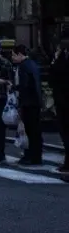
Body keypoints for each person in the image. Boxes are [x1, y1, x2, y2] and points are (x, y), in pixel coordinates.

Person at [11, 44, 43, 165]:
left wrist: (14, 87)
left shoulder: (23, 67)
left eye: (14, 55)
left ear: (20, 54)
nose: (12, 58)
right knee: (36, 131)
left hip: (28, 102)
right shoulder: (33, 64)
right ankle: (36, 156)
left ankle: (30, 156)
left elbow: (24, 86)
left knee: (29, 130)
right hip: (36, 101)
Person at [51, 30, 69, 174]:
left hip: (65, 99)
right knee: (64, 132)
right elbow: (52, 78)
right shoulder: (61, 56)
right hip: (61, 100)